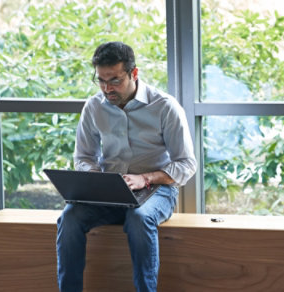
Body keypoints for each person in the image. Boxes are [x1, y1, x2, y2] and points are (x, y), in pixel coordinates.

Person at [56, 41, 197, 292]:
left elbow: (186, 164)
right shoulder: (94, 106)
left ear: (134, 73)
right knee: (69, 217)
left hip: (156, 190)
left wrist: (145, 178)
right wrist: (95, 180)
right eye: (101, 80)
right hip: (108, 191)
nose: (107, 88)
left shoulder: (165, 106)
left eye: (114, 80)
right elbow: (84, 157)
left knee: (139, 217)